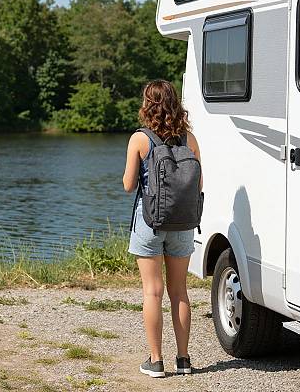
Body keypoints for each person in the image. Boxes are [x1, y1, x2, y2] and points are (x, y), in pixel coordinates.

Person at [122, 79, 202, 378]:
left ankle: (156, 361)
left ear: (147, 104)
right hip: (183, 222)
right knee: (179, 291)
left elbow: (129, 185)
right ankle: (183, 360)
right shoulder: (189, 139)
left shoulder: (140, 139)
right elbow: (199, 184)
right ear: (174, 103)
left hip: (149, 221)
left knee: (152, 292)